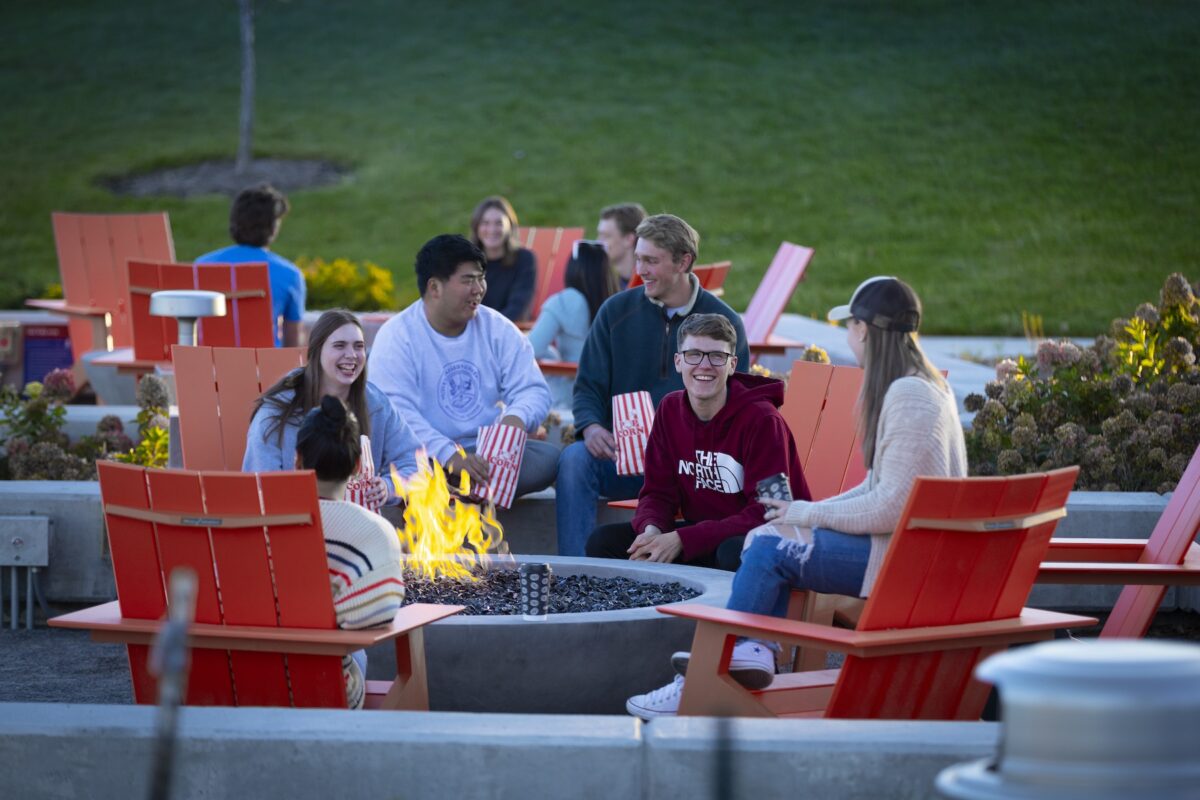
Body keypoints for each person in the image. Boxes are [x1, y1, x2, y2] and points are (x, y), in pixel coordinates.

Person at [625, 276, 968, 719]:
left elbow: (890, 506)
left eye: (850, 328)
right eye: (693, 355)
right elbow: (879, 490)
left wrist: (804, 513)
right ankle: (751, 650)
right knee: (773, 536)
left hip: (907, 560)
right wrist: (806, 514)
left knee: (768, 544)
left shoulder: (907, 394)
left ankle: (710, 675)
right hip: (915, 548)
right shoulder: (921, 387)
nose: (849, 337)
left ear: (863, 330)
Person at [556, 214, 751, 556]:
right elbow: (588, 386)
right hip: (623, 456)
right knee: (574, 460)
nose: (640, 269)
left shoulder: (724, 323)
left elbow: (739, 404)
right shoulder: (615, 312)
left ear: (684, 261)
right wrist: (591, 427)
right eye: (638, 259)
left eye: (651, 260)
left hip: (691, 467)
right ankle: (575, 570)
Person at [585, 314, 810, 570]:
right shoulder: (670, 410)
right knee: (603, 542)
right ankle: (648, 609)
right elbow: (658, 492)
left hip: (771, 539)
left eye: (717, 356)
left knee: (733, 552)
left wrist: (683, 539)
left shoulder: (762, 421)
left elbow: (768, 513)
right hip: (702, 538)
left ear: (732, 364)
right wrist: (651, 530)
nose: (704, 365)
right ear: (678, 361)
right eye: (694, 354)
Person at [369, 234, 557, 497]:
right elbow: (398, 414)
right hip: (426, 455)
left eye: (481, 278)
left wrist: (516, 418)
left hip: (487, 453)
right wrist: (451, 457)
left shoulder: (497, 328)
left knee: (550, 459)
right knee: (412, 469)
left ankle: (466, 486)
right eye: (468, 280)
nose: (478, 288)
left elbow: (532, 390)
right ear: (435, 287)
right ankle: (461, 484)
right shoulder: (397, 336)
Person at [294, 395, 405, 710]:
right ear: (358, 466)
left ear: (297, 459)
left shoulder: (257, 518)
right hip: (327, 691)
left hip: (244, 681)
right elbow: (378, 615)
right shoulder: (372, 532)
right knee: (355, 651)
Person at [244, 309, 422, 505]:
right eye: (339, 346)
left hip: (359, 526)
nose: (351, 355)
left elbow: (416, 463)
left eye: (359, 346)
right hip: (294, 521)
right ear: (317, 351)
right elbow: (260, 484)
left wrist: (389, 486)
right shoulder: (277, 411)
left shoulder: (376, 405)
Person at [196, 183, 306, 347]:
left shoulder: (201, 266)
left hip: (209, 365)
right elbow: (292, 345)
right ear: (273, 227)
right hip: (265, 368)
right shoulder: (290, 275)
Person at [527, 239, 619, 407]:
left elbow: (530, 349)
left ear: (573, 269)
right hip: (610, 398)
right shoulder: (617, 302)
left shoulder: (564, 301)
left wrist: (551, 355)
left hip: (571, 397)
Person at [471, 196, 536, 323]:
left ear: (510, 227)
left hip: (509, 330)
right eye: (485, 223)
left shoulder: (524, 259)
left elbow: (518, 306)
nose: (492, 230)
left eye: (499, 223)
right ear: (476, 227)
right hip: (471, 329)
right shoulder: (466, 262)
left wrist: (491, 328)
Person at [596, 202, 646, 289]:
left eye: (605, 236)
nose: (598, 242)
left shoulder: (649, 285)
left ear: (629, 239)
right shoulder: (604, 284)